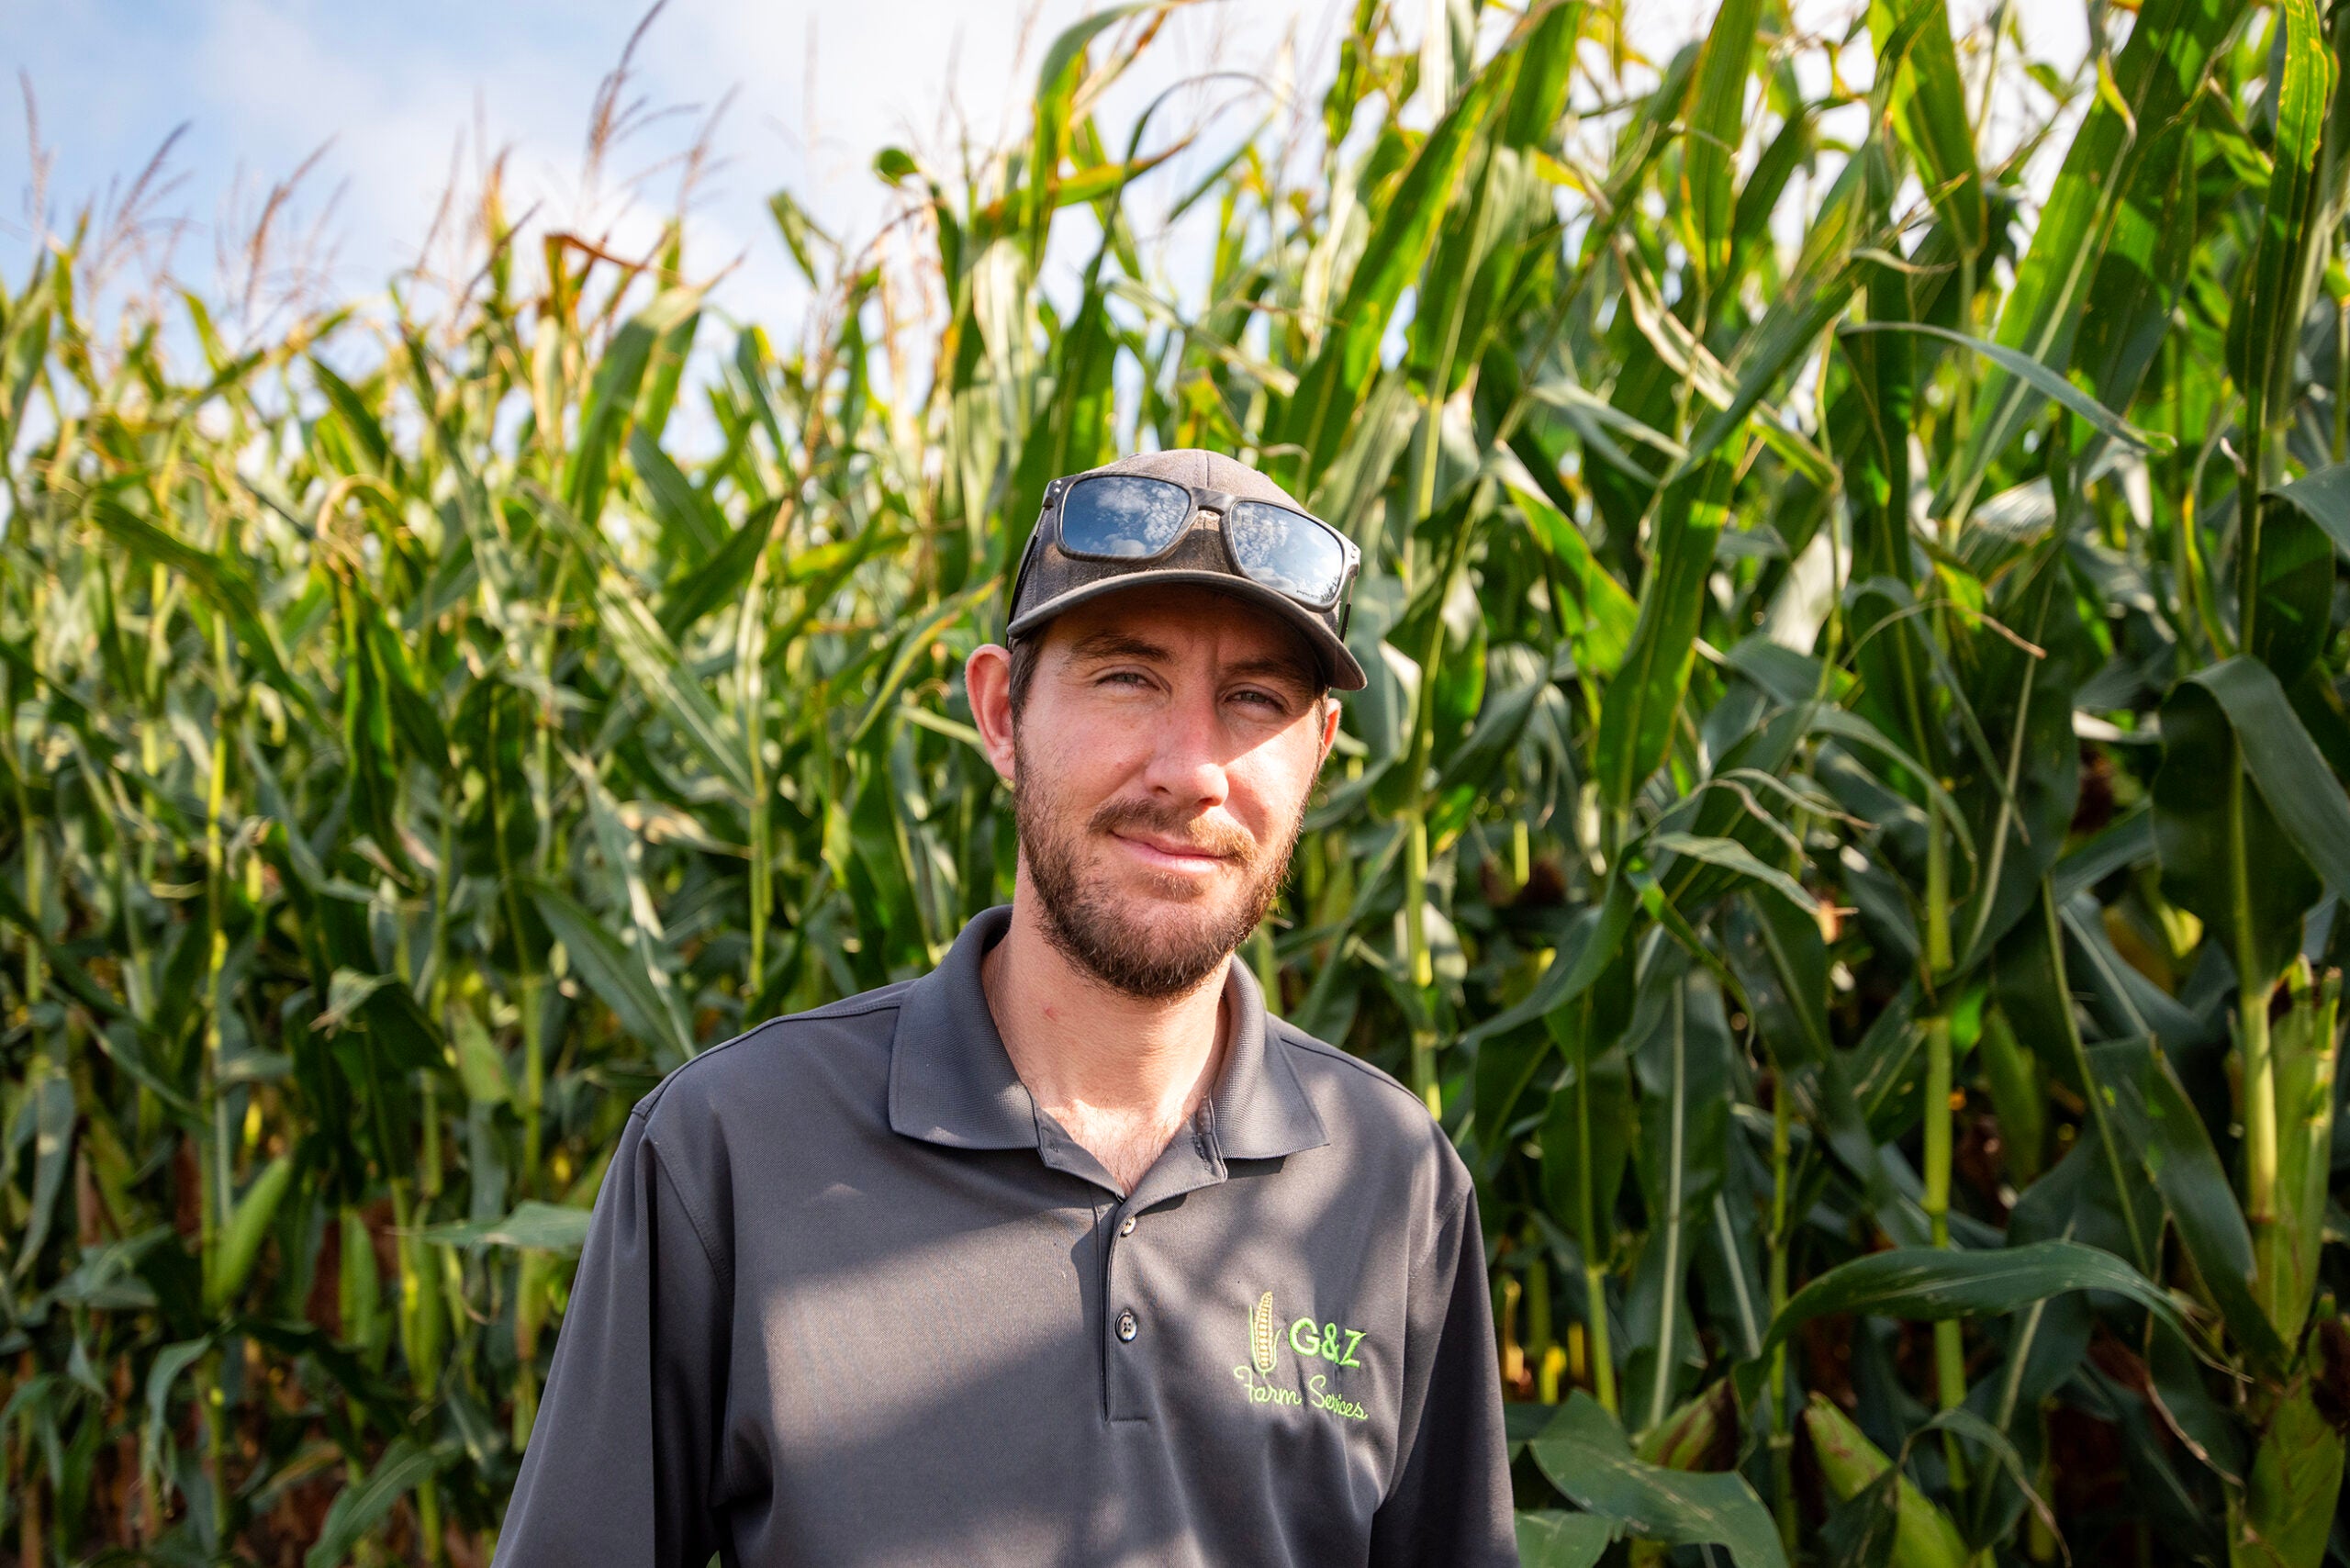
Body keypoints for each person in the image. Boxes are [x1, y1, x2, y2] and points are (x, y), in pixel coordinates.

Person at [492, 449, 1517, 1567]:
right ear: (1000, 713)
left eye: (1255, 699)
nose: (1191, 769)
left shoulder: (1394, 1183)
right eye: (1127, 677)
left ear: (1316, 753)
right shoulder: (727, 1152)